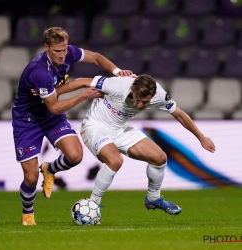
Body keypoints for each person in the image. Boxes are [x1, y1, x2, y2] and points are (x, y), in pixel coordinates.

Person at [12, 26, 132, 226]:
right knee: (31, 177)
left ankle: (50, 169)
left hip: (49, 116)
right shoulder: (39, 71)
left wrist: (117, 72)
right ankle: (28, 213)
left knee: (75, 155)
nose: (62, 55)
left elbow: (96, 58)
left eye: (64, 50)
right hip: (28, 120)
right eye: (57, 51)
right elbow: (55, 108)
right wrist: (83, 94)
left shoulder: (69, 53)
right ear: (46, 47)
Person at [52, 74, 216, 219]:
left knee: (159, 158)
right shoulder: (117, 85)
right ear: (133, 89)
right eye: (139, 100)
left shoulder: (158, 95)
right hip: (95, 126)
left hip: (120, 129)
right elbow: (82, 82)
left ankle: (153, 198)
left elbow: (179, 114)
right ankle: (93, 204)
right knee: (115, 161)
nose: (141, 105)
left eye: (146, 102)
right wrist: (53, 94)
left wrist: (201, 137)